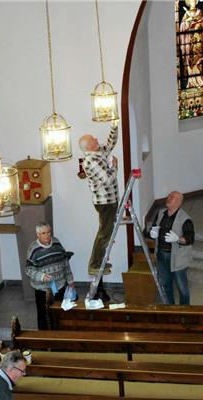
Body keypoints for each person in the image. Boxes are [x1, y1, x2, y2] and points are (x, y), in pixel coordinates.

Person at [79, 121, 119, 302]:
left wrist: (114, 126)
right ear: (88, 147)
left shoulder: (97, 152)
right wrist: (115, 167)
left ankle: (100, 260)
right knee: (104, 232)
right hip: (105, 202)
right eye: (93, 139)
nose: (97, 139)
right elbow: (107, 179)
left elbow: (110, 144)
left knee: (107, 232)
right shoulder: (90, 161)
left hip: (110, 200)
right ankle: (95, 264)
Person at [25, 222, 75, 330]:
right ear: (38, 234)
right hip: (43, 289)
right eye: (43, 233)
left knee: (59, 313)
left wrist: (70, 281)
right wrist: (41, 276)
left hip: (60, 286)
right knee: (44, 315)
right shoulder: (33, 249)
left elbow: (65, 261)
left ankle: (59, 335)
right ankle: (44, 339)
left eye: (48, 232)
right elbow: (28, 269)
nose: (47, 235)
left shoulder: (56, 243)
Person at [148, 191, 194, 305]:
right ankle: (171, 309)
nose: (168, 198)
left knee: (182, 288)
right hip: (161, 255)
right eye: (168, 196)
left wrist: (177, 239)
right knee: (165, 285)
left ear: (179, 202)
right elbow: (150, 230)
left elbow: (190, 238)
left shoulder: (185, 219)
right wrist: (152, 232)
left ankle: (185, 311)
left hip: (177, 258)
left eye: (171, 197)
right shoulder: (160, 213)